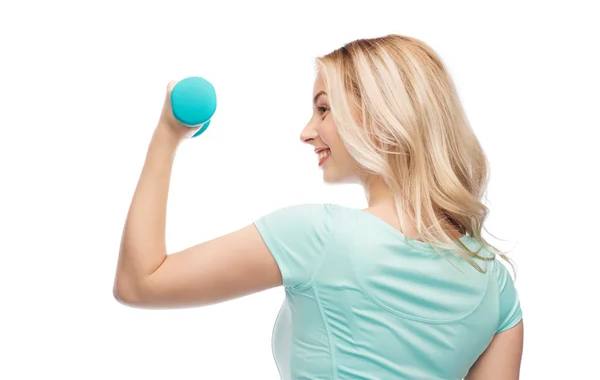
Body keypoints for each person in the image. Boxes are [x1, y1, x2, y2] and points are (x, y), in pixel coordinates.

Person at [113, 34, 524, 379]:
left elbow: (140, 282)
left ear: (382, 118)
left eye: (324, 108)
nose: (307, 133)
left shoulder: (319, 236)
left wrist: (168, 134)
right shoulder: (495, 284)